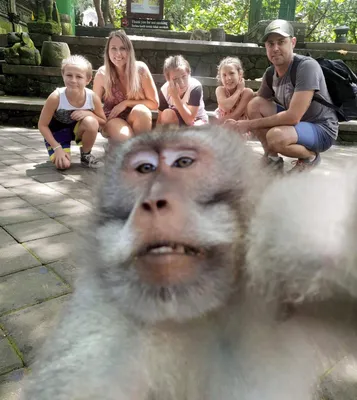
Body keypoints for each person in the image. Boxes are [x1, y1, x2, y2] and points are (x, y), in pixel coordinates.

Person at [226, 19, 339, 172]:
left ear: (292, 42)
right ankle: (272, 159)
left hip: (321, 128)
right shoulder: (270, 73)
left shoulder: (306, 67)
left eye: (281, 42)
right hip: (297, 126)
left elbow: (293, 117)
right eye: (270, 44)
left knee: (275, 137)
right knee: (255, 104)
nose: (275, 48)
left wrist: (246, 126)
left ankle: (309, 157)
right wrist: (234, 124)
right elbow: (255, 106)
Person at [38, 55, 106, 170]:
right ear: (63, 75)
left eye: (79, 76)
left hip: (78, 130)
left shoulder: (92, 97)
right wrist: (56, 148)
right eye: (69, 75)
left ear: (88, 79)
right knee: (63, 165)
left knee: (91, 121)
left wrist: (89, 113)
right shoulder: (56, 97)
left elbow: (103, 121)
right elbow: (42, 125)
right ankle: (61, 148)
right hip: (58, 133)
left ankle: (85, 154)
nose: (73, 80)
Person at [93, 30, 159, 143]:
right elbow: (94, 106)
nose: (118, 53)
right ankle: (127, 148)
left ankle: (135, 153)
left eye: (123, 48)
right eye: (113, 48)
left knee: (142, 111)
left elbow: (154, 103)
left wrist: (125, 103)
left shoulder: (141, 70)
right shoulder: (102, 74)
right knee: (128, 141)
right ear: (108, 51)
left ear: (129, 51)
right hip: (113, 118)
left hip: (136, 117)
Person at [157, 55, 208, 126]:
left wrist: (175, 97)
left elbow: (190, 121)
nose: (181, 83)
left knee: (195, 127)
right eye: (175, 79)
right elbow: (160, 120)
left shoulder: (195, 87)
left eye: (184, 76)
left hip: (197, 120)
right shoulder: (164, 90)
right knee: (167, 114)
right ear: (168, 80)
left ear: (189, 74)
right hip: (177, 120)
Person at [215, 56, 254, 123]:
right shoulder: (220, 90)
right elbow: (225, 107)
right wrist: (238, 90)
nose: (228, 78)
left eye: (232, 73)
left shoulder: (247, 92)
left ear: (240, 74)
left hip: (239, 127)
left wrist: (239, 90)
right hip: (222, 125)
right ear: (220, 78)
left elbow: (235, 116)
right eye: (224, 75)